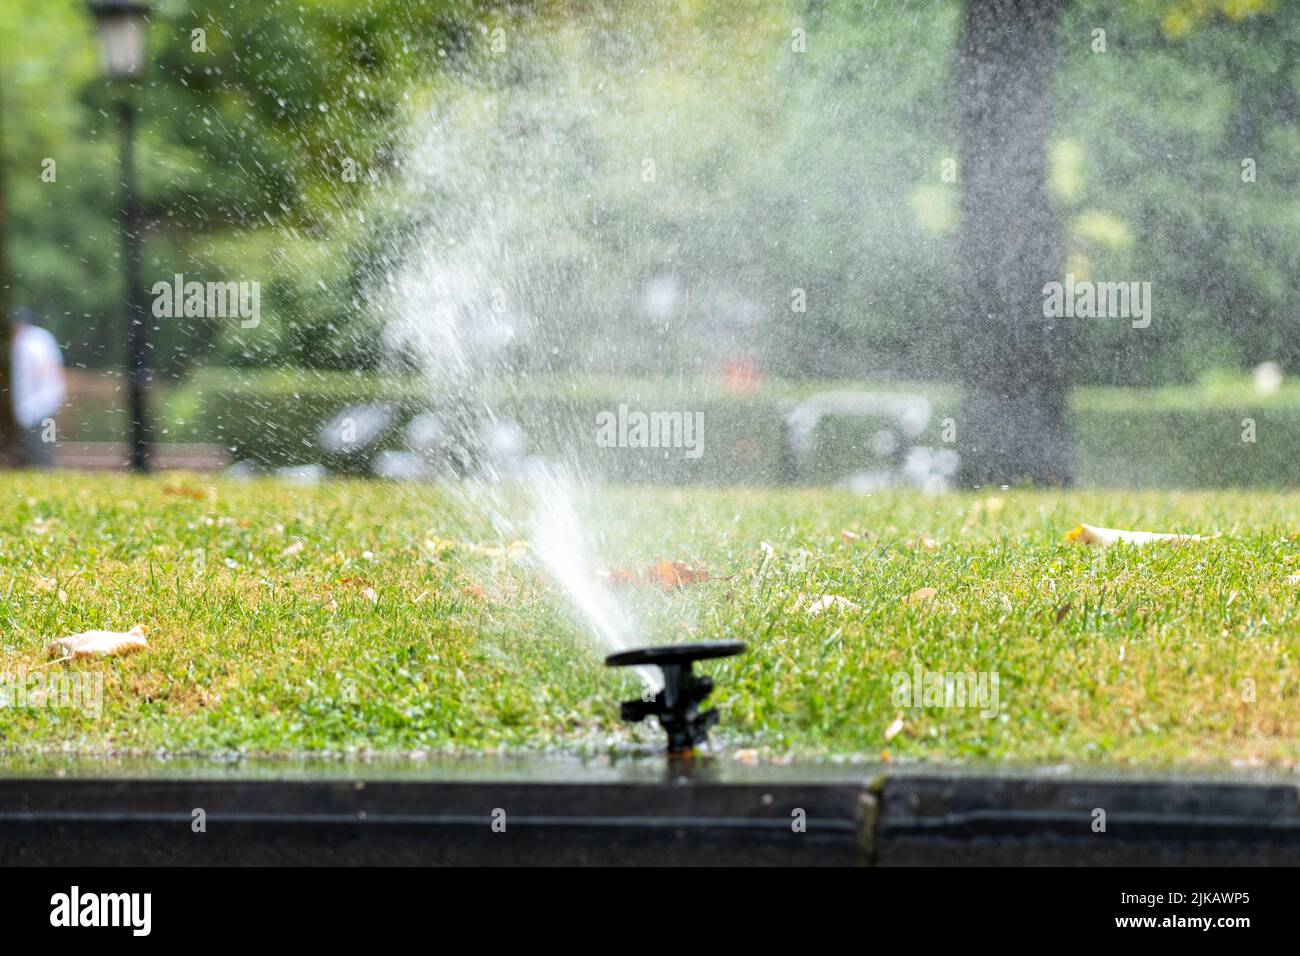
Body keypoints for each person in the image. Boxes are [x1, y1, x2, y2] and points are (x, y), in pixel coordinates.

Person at [10, 308, 66, 469]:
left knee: (45, 448)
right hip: (35, 405)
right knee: (35, 447)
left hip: (43, 404)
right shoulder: (34, 338)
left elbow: (46, 368)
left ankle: (46, 473)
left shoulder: (33, 340)